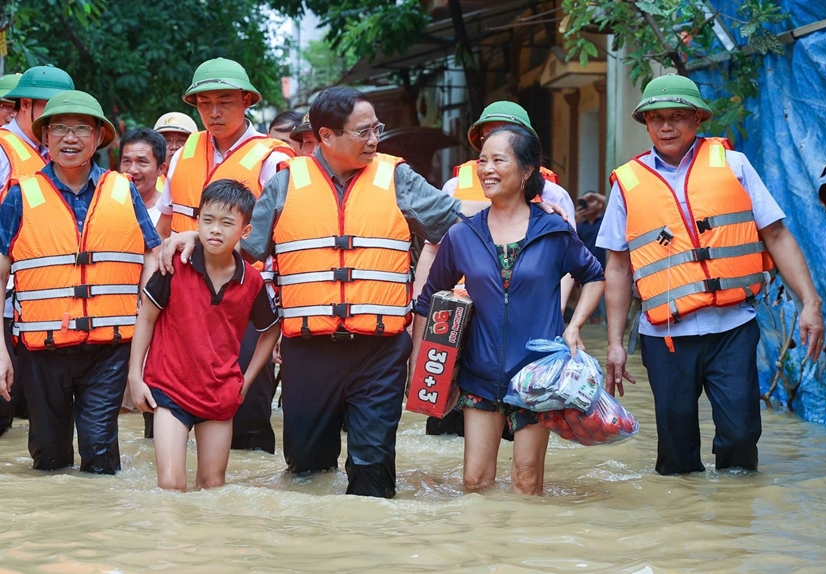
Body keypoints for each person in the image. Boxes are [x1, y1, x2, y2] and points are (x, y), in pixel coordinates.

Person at [159, 86, 562, 498]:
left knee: (373, 477)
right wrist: (192, 236)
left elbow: (457, 217)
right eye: (363, 131)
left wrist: (522, 209)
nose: (374, 139)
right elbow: (244, 247)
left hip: (380, 354)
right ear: (327, 136)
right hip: (307, 353)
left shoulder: (396, 177)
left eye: (376, 129)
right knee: (307, 472)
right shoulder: (285, 184)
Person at [598, 74, 825, 475]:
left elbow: (776, 234)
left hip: (732, 327)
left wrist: (810, 302)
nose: (666, 127)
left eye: (677, 116)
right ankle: (687, 515)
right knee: (676, 455)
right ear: (646, 123)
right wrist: (614, 344)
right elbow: (617, 266)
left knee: (741, 437)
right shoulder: (628, 183)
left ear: (697, 119)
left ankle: (734, 512)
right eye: (656, 118)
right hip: (666, 336)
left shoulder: (734, 165)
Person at [412, 125, 605, 495]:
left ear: (527, 170)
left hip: (537, 377)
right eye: (482, 160)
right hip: (479, 374)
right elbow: (429, 300)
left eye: (498, 160)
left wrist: (574, 326)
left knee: (527, 480)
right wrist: (422, 368)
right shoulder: (462, 235)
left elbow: (595, 276)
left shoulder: (553, 230)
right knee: (475, 481)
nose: (486, 169)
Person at [0, 90, 160, 473]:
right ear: (45, 137)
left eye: (81, 129)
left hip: (109, 351)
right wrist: (0, 352)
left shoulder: (123, 190)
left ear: (98, 137)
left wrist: (147, 344)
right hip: (42, 351)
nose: (70, 138)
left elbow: (151, 259)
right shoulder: (20, 196)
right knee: (49, 457)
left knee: (100, 453)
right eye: (59, 128)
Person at [152, 57, 294, 453]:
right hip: (182, 300)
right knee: (167, 405)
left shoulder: (274, 159)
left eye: (225, 102)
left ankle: (240, 489)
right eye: (204, 103)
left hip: (242, 301)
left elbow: (284, 238)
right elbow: (164, 227)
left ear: (247, 101)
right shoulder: (184, 153)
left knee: (244, 413)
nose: (213, 112)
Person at [415, 100, 578, 439]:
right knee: (449, 432)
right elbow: (432, 251)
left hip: (528, 332)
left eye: (506, 134)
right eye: (488, 136)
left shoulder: (554, 196)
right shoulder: (455, 188)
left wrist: (556, 317)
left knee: (525, 447)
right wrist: (422, 325)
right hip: (463, 327)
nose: (496, 141)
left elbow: (569, 265)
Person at [128, 179, 280, 491]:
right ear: (197, 222)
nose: (215, 230)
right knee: (171, 484)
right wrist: (135, 377)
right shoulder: (173, 265)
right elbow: (146, 318)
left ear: (245, 231)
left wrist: (245, 382)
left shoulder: (251, 281)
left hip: (219, 393)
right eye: (208, 220)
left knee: (213, 486)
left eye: (227, 223)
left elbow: (271, 330)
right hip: (170, 388)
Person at [0, 65, 75, 437]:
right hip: (6, 305)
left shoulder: (53, 154)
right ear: (26, 104)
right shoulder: (3, 151)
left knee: (39, 421)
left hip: (40, 309)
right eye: (51, 109)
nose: (58, 120)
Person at [119, 128, 166, 227]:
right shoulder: (106, 204)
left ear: (161, 169)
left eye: (142, 162)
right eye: (126, 161)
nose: (132, 170)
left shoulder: (168, 211)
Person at [573, 190, 607, 323]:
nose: (589, 204)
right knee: (590, 308)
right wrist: (575, 221)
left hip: (605, 268)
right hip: (586, 269)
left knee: (605, 304)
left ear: (600, 204)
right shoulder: (580, 224)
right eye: (586, 202)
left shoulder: (604, 221)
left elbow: (611, 203)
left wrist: (597, 197)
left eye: (593, 201)